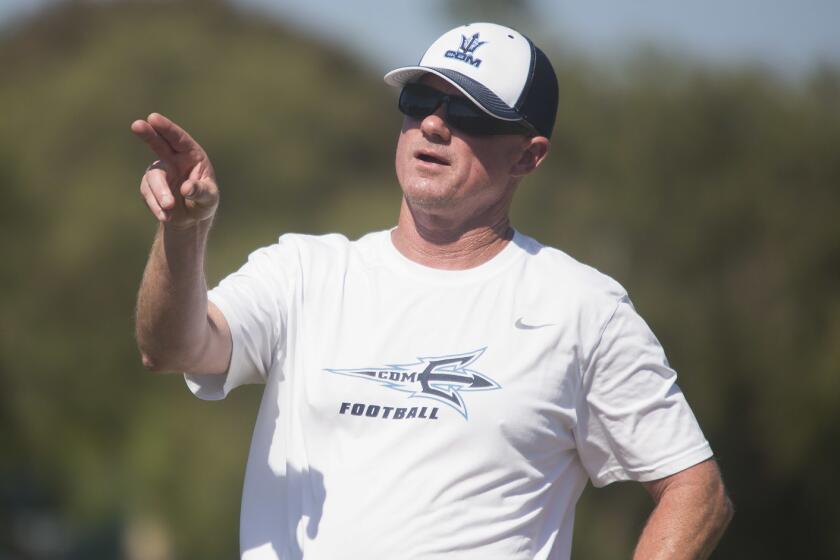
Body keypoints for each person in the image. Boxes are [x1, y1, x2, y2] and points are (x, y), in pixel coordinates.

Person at [133, 22, 732, 560]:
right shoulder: (306, 271)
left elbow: (695, 490)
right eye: (420, 100)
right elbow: (172, 348)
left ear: (529, 156)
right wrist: (183, 233)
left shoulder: (583, 309)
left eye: (471, 113)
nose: (435, 123)